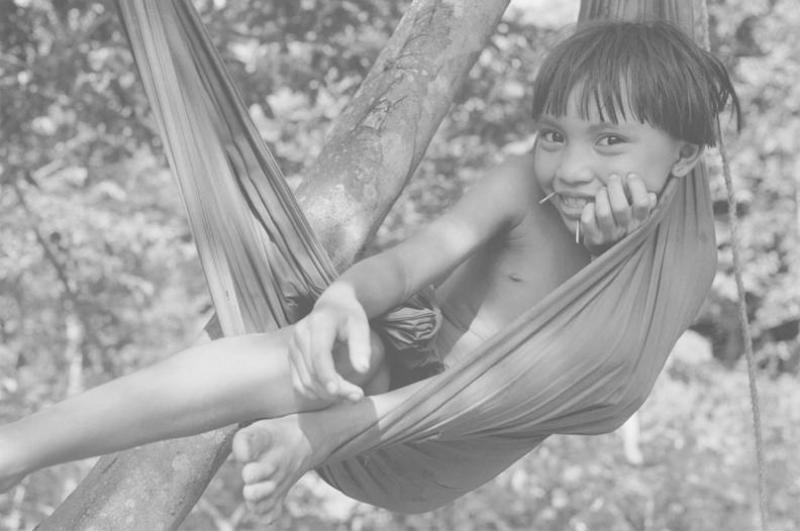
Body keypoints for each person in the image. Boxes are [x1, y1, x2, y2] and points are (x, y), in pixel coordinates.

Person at [0, 19, 739, 521]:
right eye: (553, 133)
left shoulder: (683, 256)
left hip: (428, 443)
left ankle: (317, 424)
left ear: (685, 156)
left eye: (609, 139)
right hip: (387, 366)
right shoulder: (523, 184)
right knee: (331, 348)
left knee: (353, 363)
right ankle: (16, 448)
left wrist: (613, 249)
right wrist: (341, 300)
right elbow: (412, 260)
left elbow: (598, 376)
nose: (571, 164)